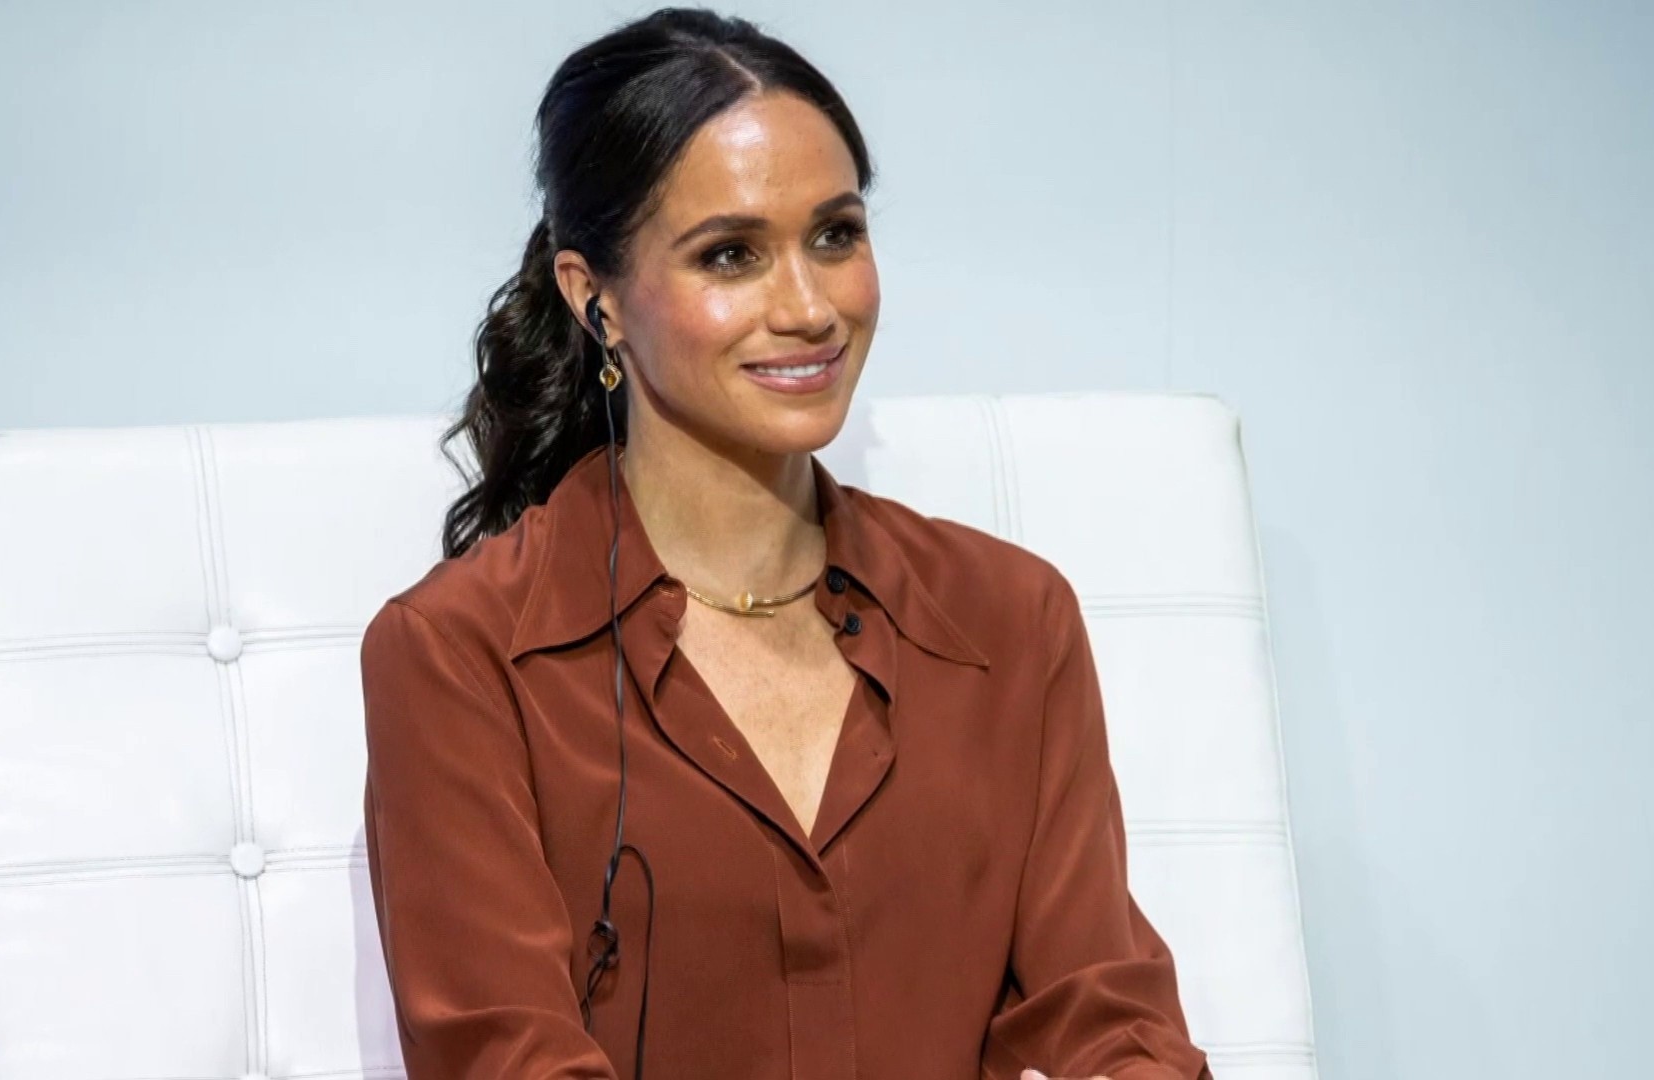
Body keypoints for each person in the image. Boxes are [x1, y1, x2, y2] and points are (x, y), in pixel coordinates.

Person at [358, 8, 1212, 1079]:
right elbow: (506, 1057)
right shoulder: (457, 656)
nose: (811, 308)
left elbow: (1110, 1020)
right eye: (732, 255)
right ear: (596, 300)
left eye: (836, 235)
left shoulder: (1011, 620)